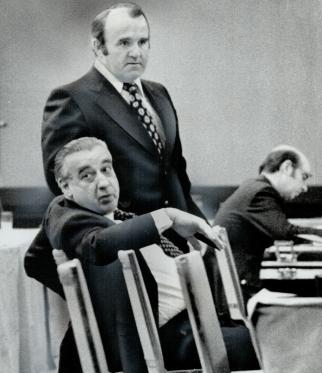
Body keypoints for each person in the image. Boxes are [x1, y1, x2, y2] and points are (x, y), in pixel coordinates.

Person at [25, 137, 259, 373]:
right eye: (87, 175)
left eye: (107, 169)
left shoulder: (112, 213)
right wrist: (170, 216)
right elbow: (96, 245)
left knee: (260, 334)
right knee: (269, 341)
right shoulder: (67, 215)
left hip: (183, 330)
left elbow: (33, 261)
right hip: (166, 345)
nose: (104, 181)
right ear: (65, 186)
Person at [41, 2, 204, 251]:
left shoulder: (159, 94)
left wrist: (200, 226)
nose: (136, 52)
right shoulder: (71, 99)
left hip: (178, 238)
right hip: (123, 243)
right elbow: (63, 182)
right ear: (98, 47)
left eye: (143, 42)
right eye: (124, 43)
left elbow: (175, 171)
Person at [212, 144, 322, 301]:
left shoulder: (253, 186)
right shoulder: (261, 192)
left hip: (231, 290)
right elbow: (286, 232)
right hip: (237, 297)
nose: (305, 188)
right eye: (304, 177)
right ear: (287, 167)